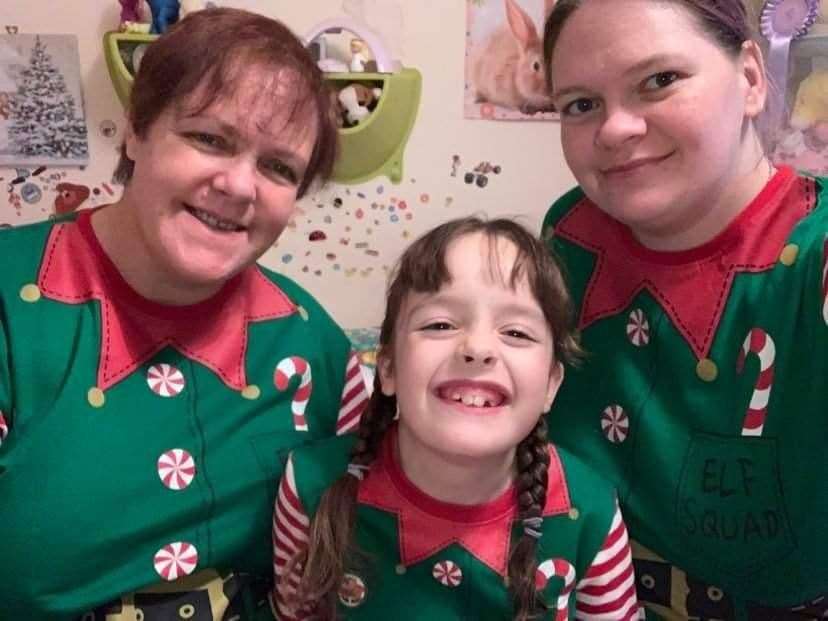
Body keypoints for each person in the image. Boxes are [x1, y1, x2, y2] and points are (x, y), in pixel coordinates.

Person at [0, 8, 369, 620]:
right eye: (210, 139)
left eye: (279, 168)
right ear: (138, 130)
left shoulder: (313, 345)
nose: (240, 185)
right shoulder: (15, 307)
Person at [541, 0, 828, 618]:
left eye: (659, 80)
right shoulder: (570, 232)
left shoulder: (811, 253)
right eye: (580, 104)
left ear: (751, 77)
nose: (615, 129)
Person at [272, 217, 640, 620]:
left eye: (516, 333)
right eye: (440, 324)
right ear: (389, 367)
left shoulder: (590, 511)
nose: (478, 348)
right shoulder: (311, 484)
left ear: (552, 384)